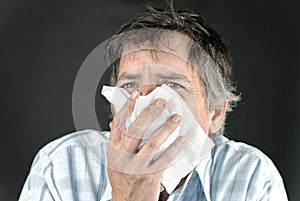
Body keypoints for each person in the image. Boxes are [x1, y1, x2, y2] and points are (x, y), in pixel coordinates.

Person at [19, 6, 288, 201]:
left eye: (172, 86)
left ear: (215, 112)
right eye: (129, 86)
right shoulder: (62, 165)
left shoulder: (249, 176)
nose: (147, 104)